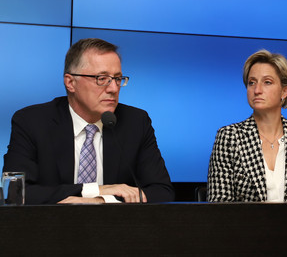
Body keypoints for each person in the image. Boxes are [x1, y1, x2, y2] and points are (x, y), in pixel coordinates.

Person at [3, 38, 174, 204]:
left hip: (117, 229)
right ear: (70, 82)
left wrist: (101, 200)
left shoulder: (135, 122)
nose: (113, 88)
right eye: (102, 78)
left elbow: (162, 192)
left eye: (117, 79)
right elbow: (15, 193)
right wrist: (95, 190)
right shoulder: (32, 122)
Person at [207, 49, 287, 202]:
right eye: (251, 83)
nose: (257, 90)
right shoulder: (229, 137)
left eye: (267, 82)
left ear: (284, 91)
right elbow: (218, 205)